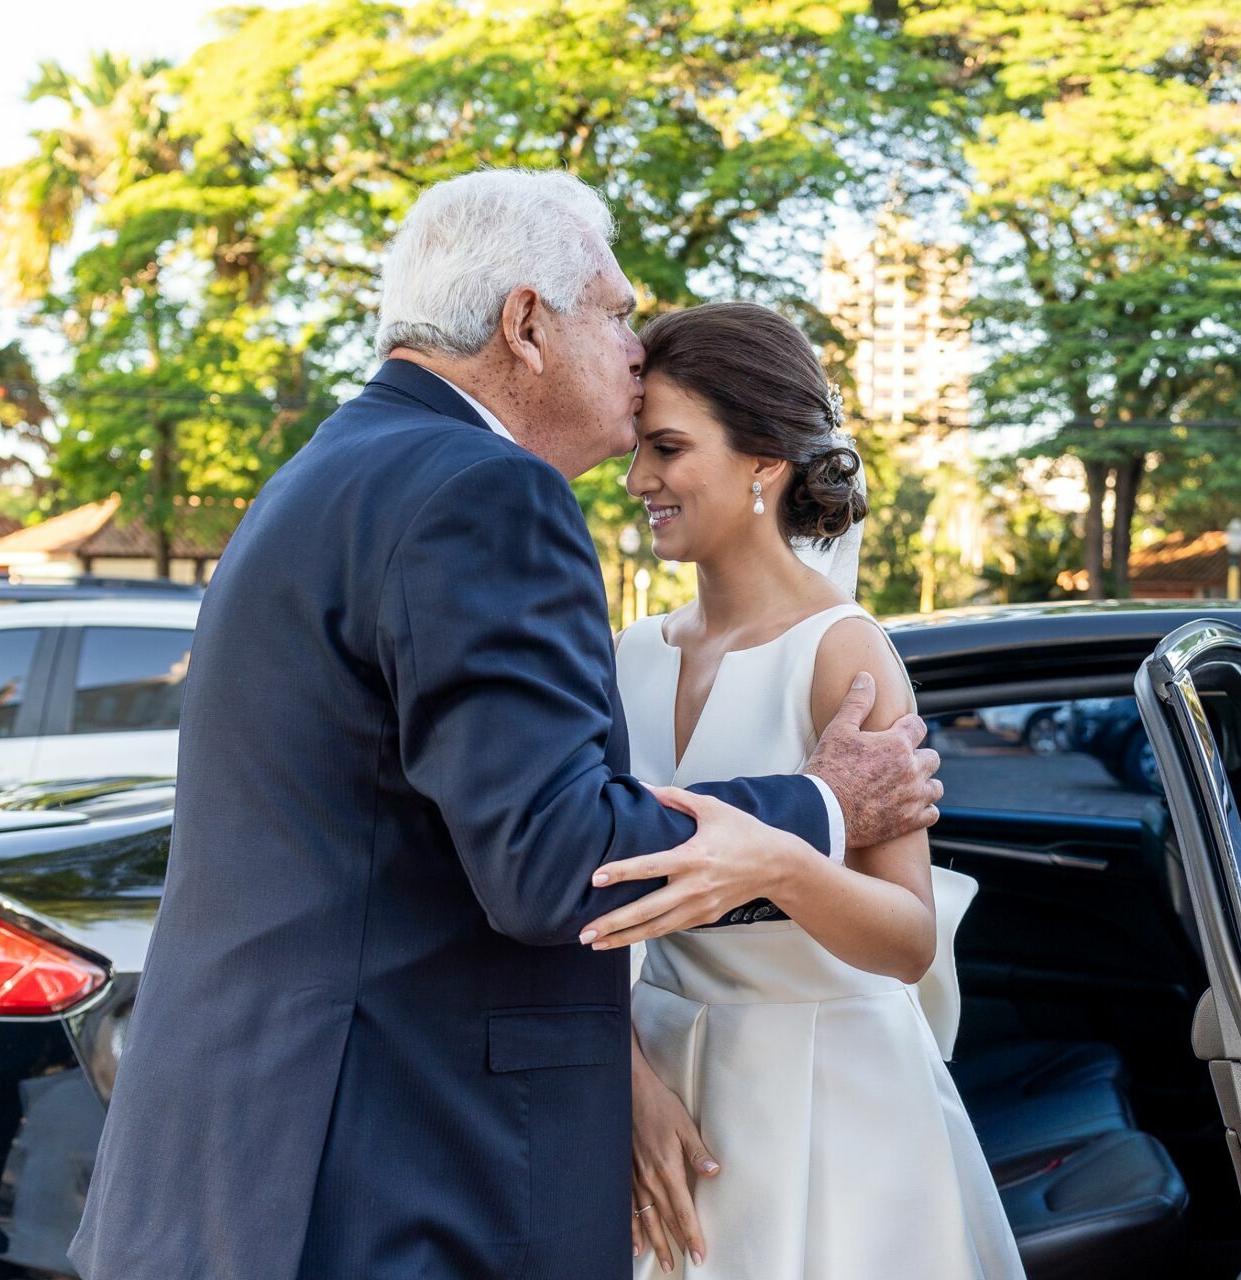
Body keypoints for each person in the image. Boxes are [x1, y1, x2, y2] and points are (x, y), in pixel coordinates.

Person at [68, 170, 942, 1280]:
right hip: (392, 1175)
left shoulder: (326, 472)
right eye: (619, 314)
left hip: (270, 1161)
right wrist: (822, 803)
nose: (636, 349)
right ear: (527, 323)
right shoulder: (482, 493)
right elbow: (551, 858)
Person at [596, 302, 1025, 1279]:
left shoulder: (843, 653)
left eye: (666, 447)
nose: (637, 480)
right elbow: (578, 888)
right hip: (665, 1087)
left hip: (832, 1102)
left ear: (763, 461)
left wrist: (778, 857)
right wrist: (627, 1085)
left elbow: (909, 937)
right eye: (636, 447)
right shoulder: (626, 656)